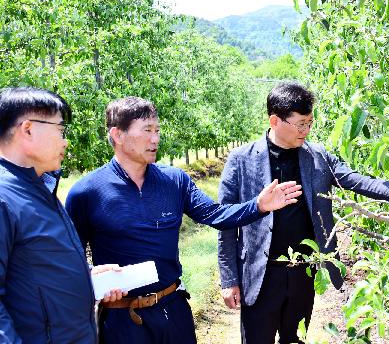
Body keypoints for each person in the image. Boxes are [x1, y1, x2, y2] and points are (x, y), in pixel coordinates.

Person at [65, 96, 301, 344]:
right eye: (147, 131)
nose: (155, 139)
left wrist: (258, 206)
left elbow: (215, 214)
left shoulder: (174, 181)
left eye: (157, 130)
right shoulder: (87, 192)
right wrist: (95, 279)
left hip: (173, 309)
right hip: (122, 320)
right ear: (118, 134)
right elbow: (69, 259)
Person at [217, 82, 389, 344]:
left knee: (296, 340)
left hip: (303, 273)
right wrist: (229, 279)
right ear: (275, 120)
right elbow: (226, 222)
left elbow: (361, 182)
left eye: (310, 122)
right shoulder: (242, 160)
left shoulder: (317, 157)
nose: (306, 130)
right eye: (301, 124)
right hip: (259, 276)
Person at [0, 87, 125, 344]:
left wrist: (85, 275)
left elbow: (32, 269)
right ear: (28, 130)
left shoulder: (39, 188)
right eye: (60, 129)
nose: (65, 141)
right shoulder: (5, 197)